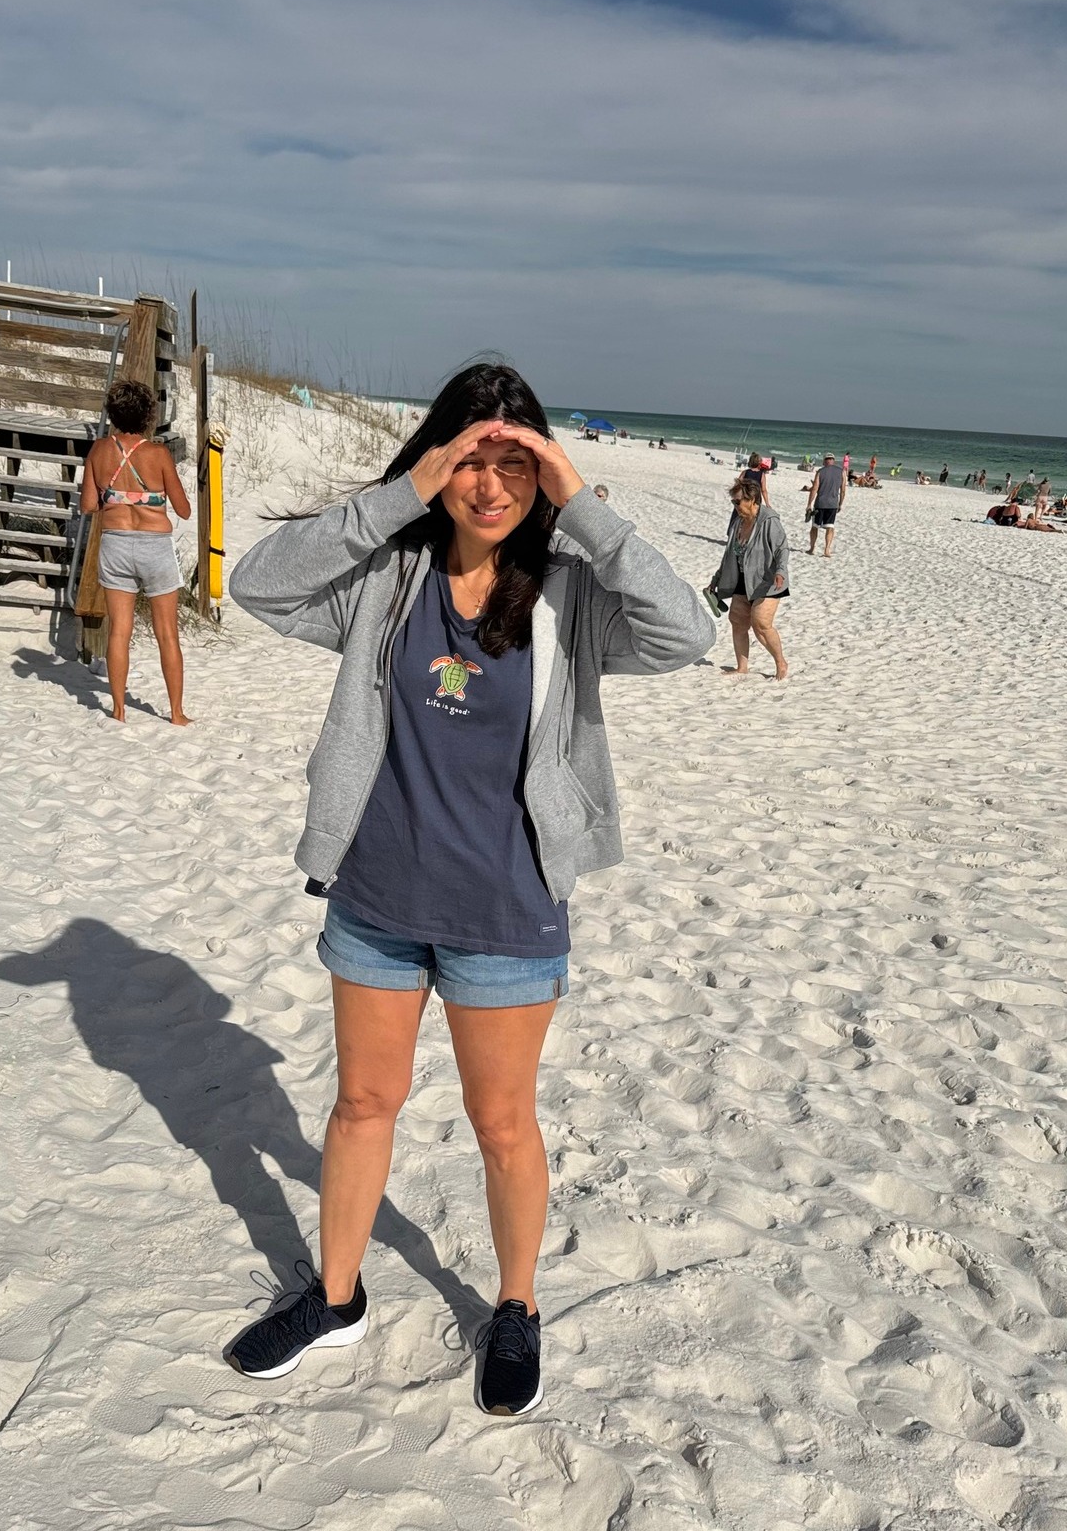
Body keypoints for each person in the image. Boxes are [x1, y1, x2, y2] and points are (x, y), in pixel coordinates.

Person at [224, 363, 712, 1415]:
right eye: (469, 460)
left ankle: (517, 1306)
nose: (491, 486)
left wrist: (583, 505)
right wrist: (399, 495)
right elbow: (258, 584)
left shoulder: (572, 593)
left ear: (543, 473)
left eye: (515, 463)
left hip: (506, 908)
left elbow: (687, 632)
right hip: (377, 897)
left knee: (502, 1125)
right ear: (438, 462)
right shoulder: (387, 578)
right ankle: (337, 1295)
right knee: (363, 1103)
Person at [79, 378, 192, 725]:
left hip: (115, 543)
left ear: (113, 413)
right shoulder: (157, 454)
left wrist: (115, 498)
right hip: (154, 546)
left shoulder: (98, 451)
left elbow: (88, 505)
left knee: (119, 631)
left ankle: (118, 709)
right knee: (167, 633)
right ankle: (176, 713)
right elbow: (184, 510)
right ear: (148, 415)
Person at [709, 475, 789, 679]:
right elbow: (729, 555)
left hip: (767, 581)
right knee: (737, 621)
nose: (735, 506)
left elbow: (781, 548)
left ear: (752, 499)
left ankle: (780, 663)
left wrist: (780, 571)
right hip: (742, 580)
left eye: (738, 502)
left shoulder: (769, 521)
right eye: (733, 502)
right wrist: (716, 579)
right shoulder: (738, 522)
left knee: (761, 624)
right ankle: (742, 667)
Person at [807, 452, 845, 556]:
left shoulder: (820, 471)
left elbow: (814, 488)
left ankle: (812, 548)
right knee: (830, 527)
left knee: (815, 527)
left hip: (820, 503)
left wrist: (809, 504)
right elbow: (843, 490)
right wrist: (840, 503)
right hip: (832, 504)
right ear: (833, 460)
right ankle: (827, 550)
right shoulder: (842, 472)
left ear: (824, 461)